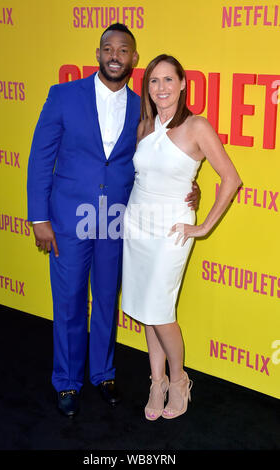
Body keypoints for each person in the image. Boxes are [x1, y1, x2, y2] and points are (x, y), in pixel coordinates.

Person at [27, 26, 200, 418]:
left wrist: (193, 189)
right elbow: (40, 158)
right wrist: (39, 217)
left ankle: (103, 374)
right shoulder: (64, 96)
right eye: (109, 48)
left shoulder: (145, 108)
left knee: (107, 299)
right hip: (69, 220)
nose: (116, 55)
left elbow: (164, 162)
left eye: (124, 50)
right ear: (98, 53)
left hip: (118, 222)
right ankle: (67, 381)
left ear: (134, 59)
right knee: (69, 302)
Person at [121, 54, 242, 421]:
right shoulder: (145, 126)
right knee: (145, 308)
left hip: (172, 229)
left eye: (168, 80)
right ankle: (156, 381)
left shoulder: (197, 126)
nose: (161, 88)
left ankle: (179, 379)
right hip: (136, 224)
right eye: (154, 81)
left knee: (160, 309)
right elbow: (147, 175)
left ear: (183, 84)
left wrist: (203, 226)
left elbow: (231, 179)